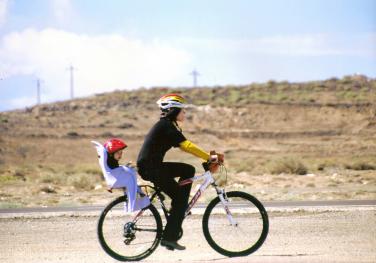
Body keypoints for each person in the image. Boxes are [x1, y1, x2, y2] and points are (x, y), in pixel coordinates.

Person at [137, 93, 224, 251]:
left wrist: (208, 157)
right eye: (182, 110)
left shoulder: (167, 125)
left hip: (152, 166)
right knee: (180, 199)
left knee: (188, 169)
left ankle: (178, 208)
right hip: (151, 168)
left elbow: (185, 146)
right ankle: (169, 238)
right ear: (172, 110)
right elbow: (187, 146)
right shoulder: (166, 126)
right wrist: (210, 157)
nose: (185, 113)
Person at [92, 138, 149, 212]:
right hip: (116, 179)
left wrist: (126, 167)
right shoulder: (111, 163)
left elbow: (117, 169)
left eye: (121, 152)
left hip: (114, 179)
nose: (120, 155)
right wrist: (130, 168)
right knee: (132, 176)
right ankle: (134, 204)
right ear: (111, 154)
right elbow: (120, 170)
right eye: (118, 153)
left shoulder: (111, 162)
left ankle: (136, 196)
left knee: (130, 173)